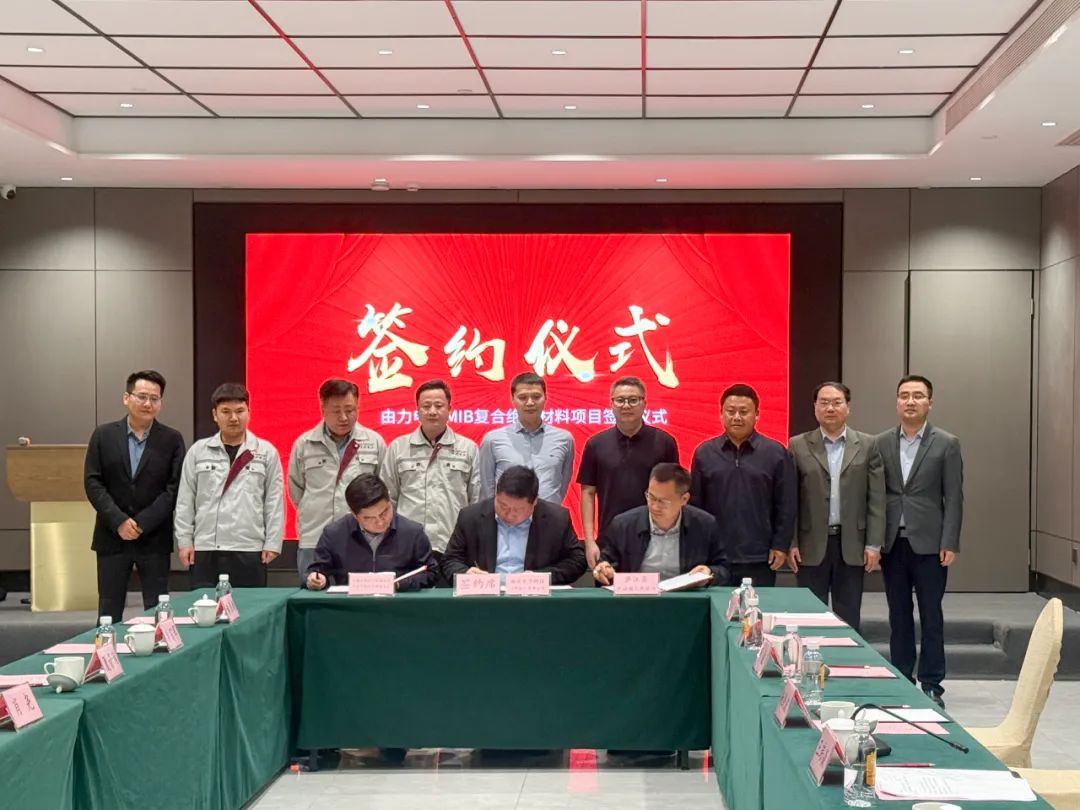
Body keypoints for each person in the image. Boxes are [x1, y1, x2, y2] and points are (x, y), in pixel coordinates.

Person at [877, 375, 963, 709]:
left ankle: (931, 684)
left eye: (918, 396)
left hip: (930, 544)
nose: (910, 401)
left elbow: (953, 497)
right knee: (898, 615)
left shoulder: (947, 443)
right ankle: (902, 679)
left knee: (931, 615)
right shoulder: (881, 443)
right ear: (897, 402)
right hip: (892, 544)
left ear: (930, 402)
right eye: (904, 395)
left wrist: (950, 541)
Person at [84, 370, 186, 621]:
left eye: (154, 398)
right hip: (112, 535)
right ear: (126, 398)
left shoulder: (172, 439)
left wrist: (142, 523)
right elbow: (93, 482)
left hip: (154, 537)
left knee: (158, 609)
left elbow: (174, 488)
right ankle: (107, 648)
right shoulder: (103, 435)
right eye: (142, 396)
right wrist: (119, 520)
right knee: (109, 609)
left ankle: (160, 647)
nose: (148, 403)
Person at [788, 382, 885, 632]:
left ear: (848, 407)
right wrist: (792, 542)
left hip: (852, 543)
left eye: (836, 402)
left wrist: (874, 544)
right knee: (809, 617)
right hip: (810, 544)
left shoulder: (867, 444)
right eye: (824, 403)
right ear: (815, 407)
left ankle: (847, 656)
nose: (830, 408)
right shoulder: (797, 445)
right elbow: (791, 499)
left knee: (848, 616)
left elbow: (876, 498)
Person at [175, 383, 284, 588]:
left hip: (249, 547)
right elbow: (185, 500)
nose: (233, 418)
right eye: (226, 412)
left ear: (249, 412)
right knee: (205, 605)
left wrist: (273, 542)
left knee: (249, 605)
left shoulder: (266, 452)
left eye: (240, 411)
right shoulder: (198, 451)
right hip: (206, 547)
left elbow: (274, 502)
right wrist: (185, 541)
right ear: (215, 415)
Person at [690, 383, 795, 587]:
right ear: (721, 414)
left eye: (744, 412)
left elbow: (786, 504)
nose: (736, 417)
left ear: (757, 415)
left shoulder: (775, 453)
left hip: (760, 555)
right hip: (715, 556)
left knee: (756, 606)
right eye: (730, 411)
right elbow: (695, 505)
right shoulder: (704, 453)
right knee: (716, 606)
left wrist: (780, 545)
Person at [380, 380, 480, 576]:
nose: (432, 411)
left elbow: (475, 499)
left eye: (439, 405)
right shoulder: (398, 448)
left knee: (452, 594)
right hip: (408, 545)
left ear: (450, 409)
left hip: (453, 545)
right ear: (417, 410)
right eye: (426, 406)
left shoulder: (468, 449)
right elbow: (388, 498)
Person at [288, 378, 385, 578]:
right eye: (336, 411)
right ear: (323, 409)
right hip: (315, 536)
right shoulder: (305, 444)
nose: (343, 417)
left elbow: (384, 489)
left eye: (350, 410)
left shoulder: (374, 443)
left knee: (359, 594)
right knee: (313, 591)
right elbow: (297, 489)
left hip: (362, 539)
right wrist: (313, 508)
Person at [578, 376, 679, 568]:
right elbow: (588, 493)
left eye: (633, 400)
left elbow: (673, 492)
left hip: (656, 537)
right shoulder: (596, 444)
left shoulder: (664, 442)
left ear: (644, 404)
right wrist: (590, 542)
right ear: (611, 404)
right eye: (620, 400)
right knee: (610, 587)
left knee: (655, 587)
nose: (626, 405)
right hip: (610, 539)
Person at [442, 465, 586, 584]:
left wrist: (543, 577)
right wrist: (464, 573)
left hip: (535, 600)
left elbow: (577, 561)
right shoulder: (470, 517)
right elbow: (450, 559)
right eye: (503, 506)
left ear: (535, 502)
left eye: (518, 510)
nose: (509, 514)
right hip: (485, 598)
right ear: (496, 495)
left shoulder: (557, 519)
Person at [592, 463, 727, 587]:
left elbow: (725, 569)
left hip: (685, 598)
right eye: (651, 497)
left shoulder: (705, 525)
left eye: (663, 501)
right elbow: (605, 564)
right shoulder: (623, 525)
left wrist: (709, 572)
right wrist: (603, 570)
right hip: (636, 598)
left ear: (684, 499)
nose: (655, 506)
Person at [304, 474, 437, 591]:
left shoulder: (412, 532)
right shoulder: (334, 534)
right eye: (369, 518)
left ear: (390, 501)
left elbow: (430, 572)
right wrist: (316, 579)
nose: (380, 522)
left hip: (398, 605)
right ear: (354, 515)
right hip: (351, 606)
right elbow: (317, 570)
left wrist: (401, 584)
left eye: (384, 512)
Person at [478, 372, 574, 503]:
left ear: (545, 397)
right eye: (522, 397)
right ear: (513, 399)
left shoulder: (564, 439)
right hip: (508, 515)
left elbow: (561, 486)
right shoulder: (492, 440)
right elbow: (487, 489)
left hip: (550, 514)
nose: (530, 403)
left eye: (536, 397)